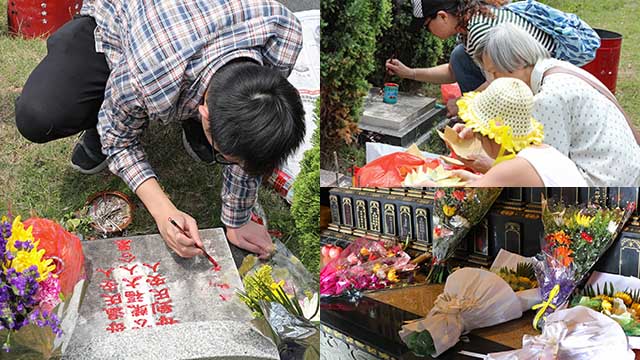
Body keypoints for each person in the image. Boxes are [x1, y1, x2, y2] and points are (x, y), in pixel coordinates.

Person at [14, 0, 306, 259]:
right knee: (41, 115)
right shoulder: (149, 74)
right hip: (120, 19)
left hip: (191, 35)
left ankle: (192, 125)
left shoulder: (282, 32)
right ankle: (98, 115)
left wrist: (238, 218)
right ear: (204, 114)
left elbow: (258, 121)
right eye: (227, 158)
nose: (237, 168)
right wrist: (163, 211)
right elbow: (119, 142)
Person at [461, 23, 640, 186]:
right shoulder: (555, 68)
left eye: (495, 73)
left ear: (517, 63)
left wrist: (493, 168)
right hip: (624, 171)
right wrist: (482, 130)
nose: (492, 82)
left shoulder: (547, 98)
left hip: (605, 185)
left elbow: (549, 173)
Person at [385, 0, 596, 114]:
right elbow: (453, 70)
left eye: (426, 26)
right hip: (525, 74)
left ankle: (488, 127)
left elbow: (499, 82)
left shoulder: (479, 31)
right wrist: (410, 73)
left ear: (442, 16)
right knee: (460, 56)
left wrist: (462, 105)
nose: (428, 32)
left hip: (539, 84)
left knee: (462, 60)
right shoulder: (473, 20)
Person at [435, 77, 587, 186]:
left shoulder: (510, 169)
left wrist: (424, 184)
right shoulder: (545, 152)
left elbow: (467, 204)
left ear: (487, 134)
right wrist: (475, 180)